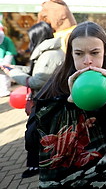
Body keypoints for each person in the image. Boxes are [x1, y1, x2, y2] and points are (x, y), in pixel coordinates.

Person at [34, 21, 106, 188]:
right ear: (71, 55)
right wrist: (66, 105)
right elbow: (32, 138)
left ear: (105, 52)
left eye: (95, 53)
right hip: (71, 178)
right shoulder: (58, 82)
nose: (87, 61)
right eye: (79, 54)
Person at [1, 21, 65, 178]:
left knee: (33, 134)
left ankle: (38, 166)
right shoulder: (48, 52)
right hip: (46, 101)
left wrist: (13, 74)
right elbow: (36, 73)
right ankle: (36, 165)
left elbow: (37, 81)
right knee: (37, 134)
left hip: (46, 102)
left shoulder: (49, 55)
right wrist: (14, 69)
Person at [0, 28, 18, 97]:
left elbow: (10, 52)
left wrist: (4, 63)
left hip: (6, 60)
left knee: (4, 75)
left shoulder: (7, 40)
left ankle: (5, 90)